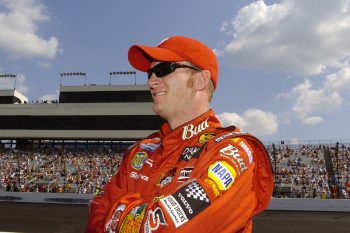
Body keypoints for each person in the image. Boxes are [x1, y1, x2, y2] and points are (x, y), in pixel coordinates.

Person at [85, 35, 273, 233]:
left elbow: (172, 229)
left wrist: (120, 210)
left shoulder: (233, 150)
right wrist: (142, 213)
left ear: (200, 80)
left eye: (163, 70)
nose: (151, 82)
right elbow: (97, 212)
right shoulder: (139, 152)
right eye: (149, 74)